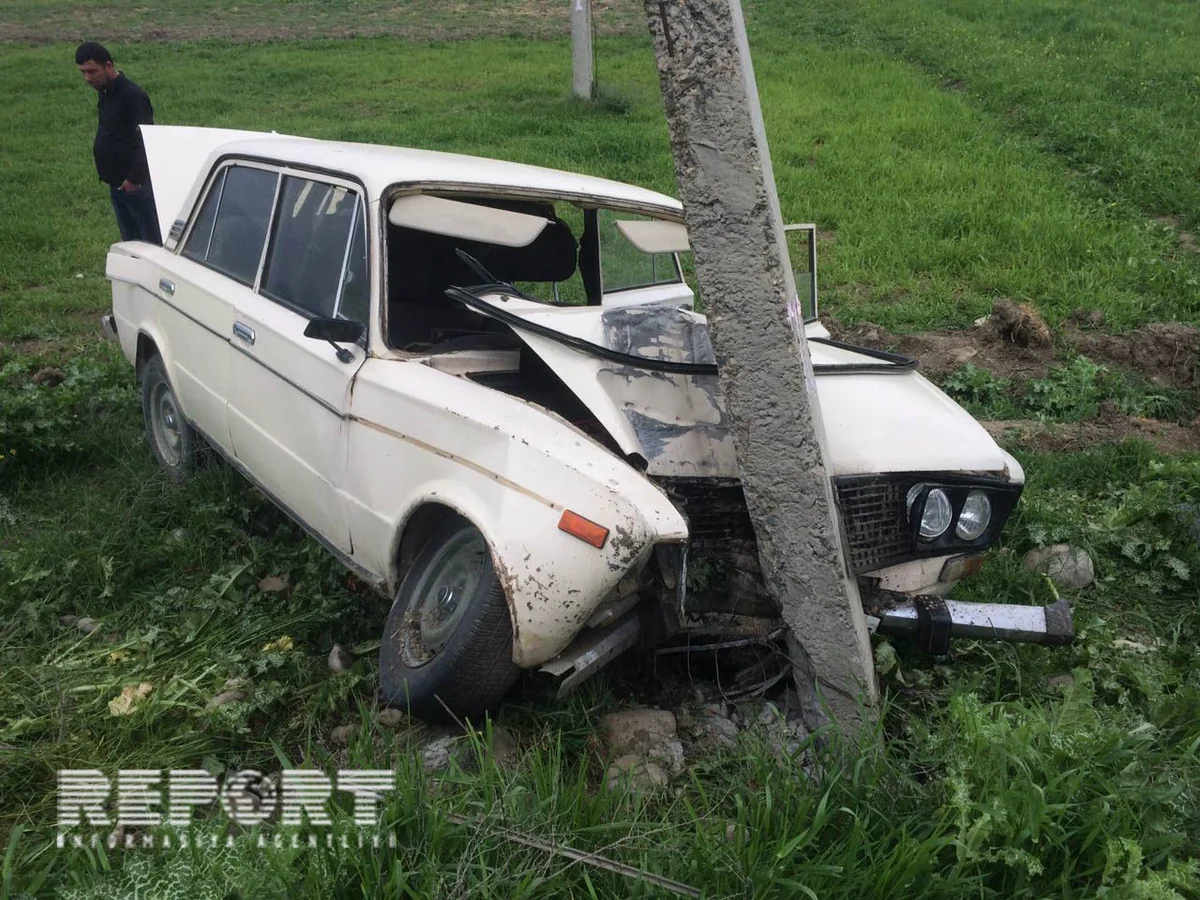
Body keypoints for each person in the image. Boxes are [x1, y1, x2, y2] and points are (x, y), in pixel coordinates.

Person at [75, 42, 162, 244]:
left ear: (108, 65)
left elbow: (147, 140)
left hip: (135, 186)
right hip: (117, 184)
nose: (87, 78)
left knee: (148, 244)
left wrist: (133, 180)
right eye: (83, 72)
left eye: (92, 71)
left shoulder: (132, 96)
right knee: (129, 243)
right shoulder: (105, 92)